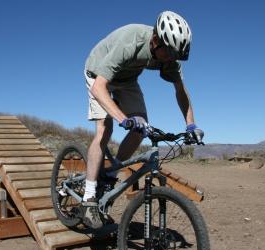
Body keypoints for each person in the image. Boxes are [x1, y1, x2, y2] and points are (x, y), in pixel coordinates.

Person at [82, 11, 203, 229]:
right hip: (97, 74)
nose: (171, 59)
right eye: (168, 53)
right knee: (104, 130)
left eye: (176, 55)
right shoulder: (130, 42)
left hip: (126, 79)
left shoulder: (169, 54)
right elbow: (99, 88)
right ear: (156, 40)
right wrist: (122, 118)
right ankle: (89, 198)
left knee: (142, 128)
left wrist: (191, 124)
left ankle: (109, 174)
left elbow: (180, 90)